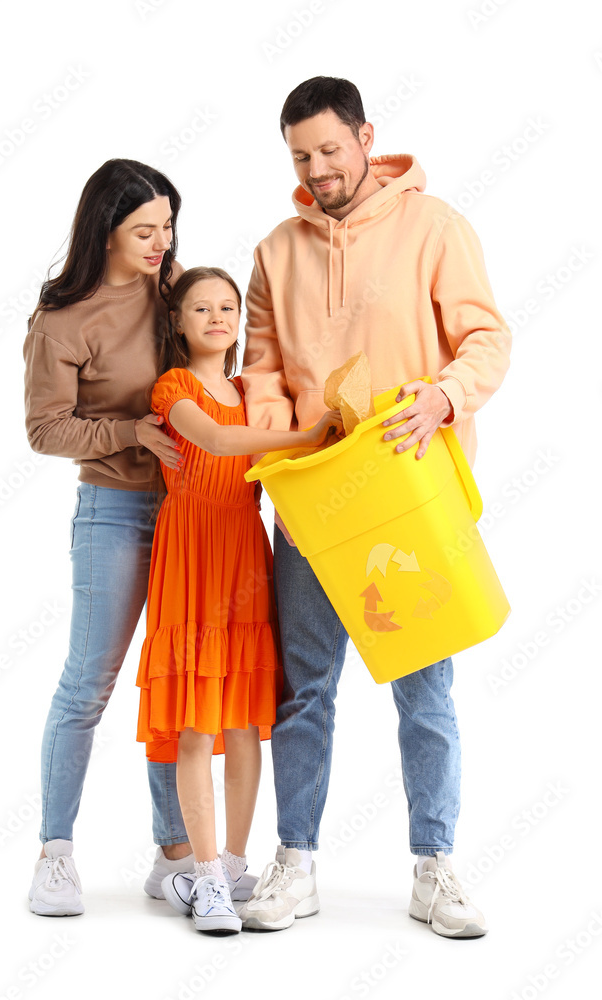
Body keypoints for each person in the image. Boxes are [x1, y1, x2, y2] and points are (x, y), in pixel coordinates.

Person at [239, 77, 511, 938]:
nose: (317, 169)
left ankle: (435, 868)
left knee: (425, 689)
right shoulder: (276, 251)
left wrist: (444, 395)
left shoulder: (435, 228)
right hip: (317, 503)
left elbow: (486, 336)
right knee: (305, 690)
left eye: (329, 149)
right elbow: (262, 370)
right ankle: (297, 864)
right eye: (300, 157)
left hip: (412, 493)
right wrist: (286, 433)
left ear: (365, 137)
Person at [137, 266, 342, 933]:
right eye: (201, 308)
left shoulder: (255, 390)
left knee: (244, 719)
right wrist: (306, 438)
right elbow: (220, 441)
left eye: (227, 306)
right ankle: (200, 878)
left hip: (244, 552)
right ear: (178, 322)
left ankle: (230, 865)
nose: (218, 317)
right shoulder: (176, 387)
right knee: (196, 719)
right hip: (192, 550)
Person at [23, 159, 198, 916]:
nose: (162, 243)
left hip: (192, 512)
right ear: (106, 229)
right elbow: (43, 428)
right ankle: (54, 855)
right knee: (88, 683)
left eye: (167, 227)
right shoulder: (63, 320)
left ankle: (175, 855)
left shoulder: (175, 290)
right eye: (145, 230)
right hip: (115, 513)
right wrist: (130, 432)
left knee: (173, 685)